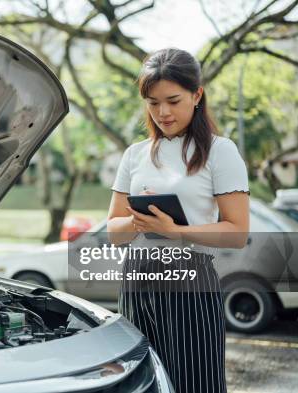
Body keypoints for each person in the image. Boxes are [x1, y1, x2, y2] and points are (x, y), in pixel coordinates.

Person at [106, 48, 249, 393]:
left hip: (190, 280)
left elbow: (237, 232)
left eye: (172, 100)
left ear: (197, 94)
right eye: (153, 103)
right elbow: (113, 230)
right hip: (136, 277)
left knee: (194, 383)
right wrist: (140, 223)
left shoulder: (220, 150)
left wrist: (176, 231)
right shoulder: (135, 154)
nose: (162, 112)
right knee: (140, 382)